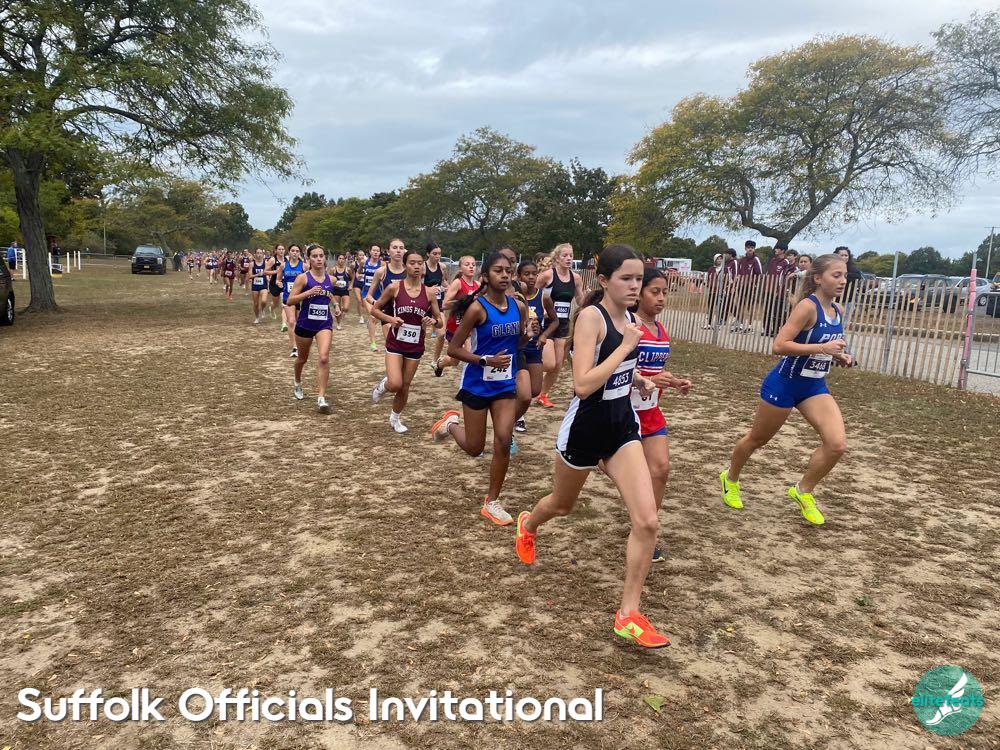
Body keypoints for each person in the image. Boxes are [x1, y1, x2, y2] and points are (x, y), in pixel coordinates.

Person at [513, 244, 671, 649]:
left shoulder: (631, 319)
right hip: (585, 429)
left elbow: (620, 371)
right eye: (626, 278)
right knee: (562, 505)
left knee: (647, 521)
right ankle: (528, 524)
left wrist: (641, 379)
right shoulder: (591, 319)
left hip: (621, 428)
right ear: (604, 280)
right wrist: (625, 347)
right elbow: (583, 384)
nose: (635, 286)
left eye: (639, 279)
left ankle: (628, 614)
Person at [719, 253, 853, 526]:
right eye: (836, 275)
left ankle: (803, 491)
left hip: (814, 387)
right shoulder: (807, 307)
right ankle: (730, 478)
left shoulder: (838, 311)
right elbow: (779, 345)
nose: (842, 281)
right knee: (757, 439)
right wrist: (823, 348)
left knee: (837, 444)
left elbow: (828, 347)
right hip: (785, 384)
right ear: (818, 278)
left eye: (845, 276)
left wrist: (841, 356)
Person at [430, 252, 534, 526]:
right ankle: (450, 424)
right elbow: (454, 349)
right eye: (498, 270)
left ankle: (492, 502)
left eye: (508, 270)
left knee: (503, 439)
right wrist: (485, 360)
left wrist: (528, 335)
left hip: (505, 384)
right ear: (485, 277)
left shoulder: (518, 306)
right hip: (477, 383)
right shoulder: (477, 309)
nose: (505, 275)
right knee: (475, 448)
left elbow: (518, 344)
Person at [630, 268, 692, 563]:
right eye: (655, 291)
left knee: (661, 469)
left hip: (650, 411)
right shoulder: (629, 325)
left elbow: (657, 371)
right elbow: (617, 370)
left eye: (665, 292)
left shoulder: (660, 329)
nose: (661, 298)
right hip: (621, 412)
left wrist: (675, 382)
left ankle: (646, 529)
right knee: (626, 474)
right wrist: (647, 379)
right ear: (639, 293)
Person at [371, 249, 444, 433]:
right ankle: (383, 386)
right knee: (395, 383)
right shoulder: (394, 287)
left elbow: (440, 320)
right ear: (405, 265)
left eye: (420, 263)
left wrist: (432, 321)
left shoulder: (429, 293)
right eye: (412, 263)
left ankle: (395, 419)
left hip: (415, 345)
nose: (417, 266)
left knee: (404, 385)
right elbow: (375, 309)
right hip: (395, 343)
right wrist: (390, 319)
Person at [285, 244, 337, 414]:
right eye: (314, 256)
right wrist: (308, 293)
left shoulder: (332, 279)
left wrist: (336, 306)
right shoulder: (303, 278)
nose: (319, 259)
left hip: (324, 324)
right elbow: (290, 301)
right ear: (309, 259)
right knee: (302, 359)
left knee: (323, 357)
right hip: (305, 324)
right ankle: (297, 382)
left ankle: (321, 398)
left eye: (321, 256)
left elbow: (329, 294)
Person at [534, 243, 586, 408]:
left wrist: (589, 299)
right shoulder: (547, 276)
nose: (569, 258)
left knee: (557, 365)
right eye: (565, 255)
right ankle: (527, 371)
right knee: (549, 363)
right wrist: (542, 309)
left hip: (563, 324)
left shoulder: (576, 278)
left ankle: (542, 395)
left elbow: (580, 300)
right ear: (557, 258)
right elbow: (533, 294)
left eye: (571, 255)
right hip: (547, 323)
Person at [512, 260, 558, 434]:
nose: (531, 277)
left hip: (534, 347)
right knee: (523, 391)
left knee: (535, 389)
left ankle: (515, 406)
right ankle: (518, 417)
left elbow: (555, 321)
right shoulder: (514, 297)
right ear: (519, 277)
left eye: (534, 274)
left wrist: (544, 335)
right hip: (518, 347)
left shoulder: (543, 297)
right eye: (526, 274)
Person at [434, 255, 479, 377]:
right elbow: (445, 304)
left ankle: (470, 384)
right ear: (460, 268)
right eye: (467, 264)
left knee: (470, 356)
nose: (471, 267)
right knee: (455, 361)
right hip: (456, 326)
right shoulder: (458, 283)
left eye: (473, 264)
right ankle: (440, 364)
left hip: (471, 326)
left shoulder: (478, 285)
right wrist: (465, 300)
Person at [366, 238, 408, 338]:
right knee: (391, 344)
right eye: (395, 247)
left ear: (404, 251)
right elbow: (368, 296)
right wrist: (378, 304)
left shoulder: (409, 271)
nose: (398, 250)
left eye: (401, 248)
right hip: (388, 314)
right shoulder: (381, 271)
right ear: (388, 251)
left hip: (406, 312)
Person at [731, 240, 762, 333]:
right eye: (748, 248)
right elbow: (738, 273)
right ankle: (740, 325)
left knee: (750, 306)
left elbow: (760, 274)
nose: (750, 249)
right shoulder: (741, 260)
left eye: (752, 248)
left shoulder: (756, 259)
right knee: (740, 305)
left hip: (751, 287)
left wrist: (754, 284)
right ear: (745, 248)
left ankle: (750, 326)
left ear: (754, 249)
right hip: (741, 286)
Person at [762, 242, 793, 336]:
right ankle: (767, 330)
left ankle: (775, 330)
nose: (775, 250)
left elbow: (785, 277)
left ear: (782, 250)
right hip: (768, 290)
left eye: (777, 248)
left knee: (777, 312)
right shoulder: (772, 261)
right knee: (767, 311)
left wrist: (779, 290)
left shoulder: (785, 262)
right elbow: (768, 274)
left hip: (779, 292)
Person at [281, 245, 305, 355]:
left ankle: (300, 342)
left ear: (299, 253)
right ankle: (295, 348)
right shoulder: (283, 265)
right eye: (293, 251)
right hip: (288, 297)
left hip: (300, 297)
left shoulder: (304, 266)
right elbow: (278, 279)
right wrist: (279, 283)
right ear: (289, 252)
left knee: (299, 322)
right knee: (291, 321)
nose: (295, 253)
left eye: (297, 251)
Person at [360, 245, 384, 352]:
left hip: (378, 294)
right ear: (370, 252)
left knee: (375, 318)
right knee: (373, 315)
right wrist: (358, 275)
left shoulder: (382, 264)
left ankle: (370, 324)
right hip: (366, 293)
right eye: (374, 250)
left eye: (378, 251)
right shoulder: (363, 262)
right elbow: (358, 271)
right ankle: (373, 343)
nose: (376, 252)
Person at [835, 246, 863, 319]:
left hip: (846, 301)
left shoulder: (852, 268)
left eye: (846, 255)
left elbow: (857, 276)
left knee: (843, 322)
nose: (844, 257)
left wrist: (843, 275)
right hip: (832, 300)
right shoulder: (830, 266)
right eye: (841, 255)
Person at [330, 252, 351, 329]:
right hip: (336, 291)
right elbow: (329, 279)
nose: (341, 260)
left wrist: (351, 285)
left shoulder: (347, 269)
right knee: (337, 308)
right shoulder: (333, 269)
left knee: (346, 308)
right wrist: (331, 286)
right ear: (337, 260)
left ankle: (342, 311)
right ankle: (339, 324)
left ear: (345, 260)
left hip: (345, 290)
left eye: (343, 259)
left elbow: (352, 278)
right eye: (340, 258)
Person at [265, 245, 285, 318]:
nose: (281, 251)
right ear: (276, 250)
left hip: (284, 283)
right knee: (276, 304)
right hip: (274, 284)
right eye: (279, 249)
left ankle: (284, 321)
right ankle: (272, 308)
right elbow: (265, 271)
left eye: (282, 249)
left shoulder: (287, 259)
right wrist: (276, 271)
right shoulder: (273, 260)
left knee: (284, 303)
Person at [351, 249, 367, 324]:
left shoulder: (367, 263)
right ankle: (361, 317)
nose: (362, 256)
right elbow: (352, 274)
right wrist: (351, 283)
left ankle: (362, 313)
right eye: (360, 255)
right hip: (356, 283)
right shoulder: (353, 264)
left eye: (363, 255)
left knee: (363, 302)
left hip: (364, 284)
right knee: (359, 300)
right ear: (357, 256)